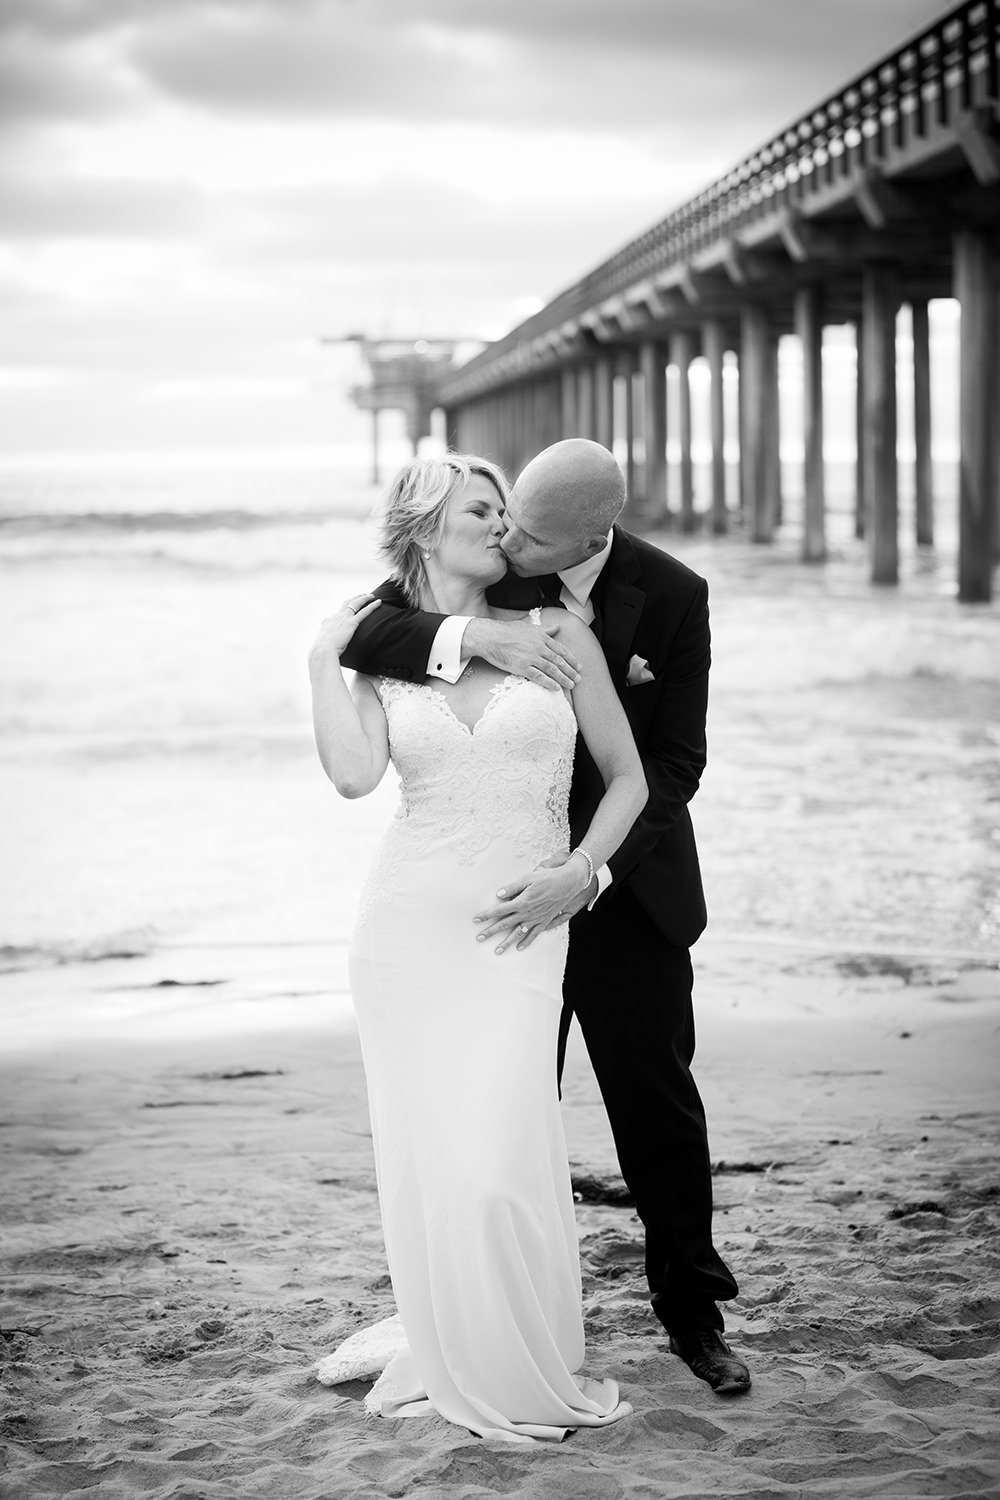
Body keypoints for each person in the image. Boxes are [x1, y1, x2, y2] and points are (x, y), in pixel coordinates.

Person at [339, 437, 751, 1396]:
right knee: (499, 1117)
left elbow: (672, 769)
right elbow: (370, 634)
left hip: (619, 887)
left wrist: (587, 875)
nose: (509, 537)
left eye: (528, 530)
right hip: (491, 903)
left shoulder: (673, 595)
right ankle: (494, 1305)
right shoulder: (491, 582)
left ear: (587, 536)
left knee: (657, 1110)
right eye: (500, 517)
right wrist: (480, 638)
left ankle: (694, 1316)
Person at [309, 452, 647, 1443]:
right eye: (481, 510)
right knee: (436, 1162)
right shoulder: (379, 651)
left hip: (520, 935)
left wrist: (577, 872)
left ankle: (520, 1346)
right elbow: (351, 776)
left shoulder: (555, 634)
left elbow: (628, 780)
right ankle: (456, 1342)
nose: (503, 527)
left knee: (498, 1161)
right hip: (405, 935)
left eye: (508, 512)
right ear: (424, 529)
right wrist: (319, 662)